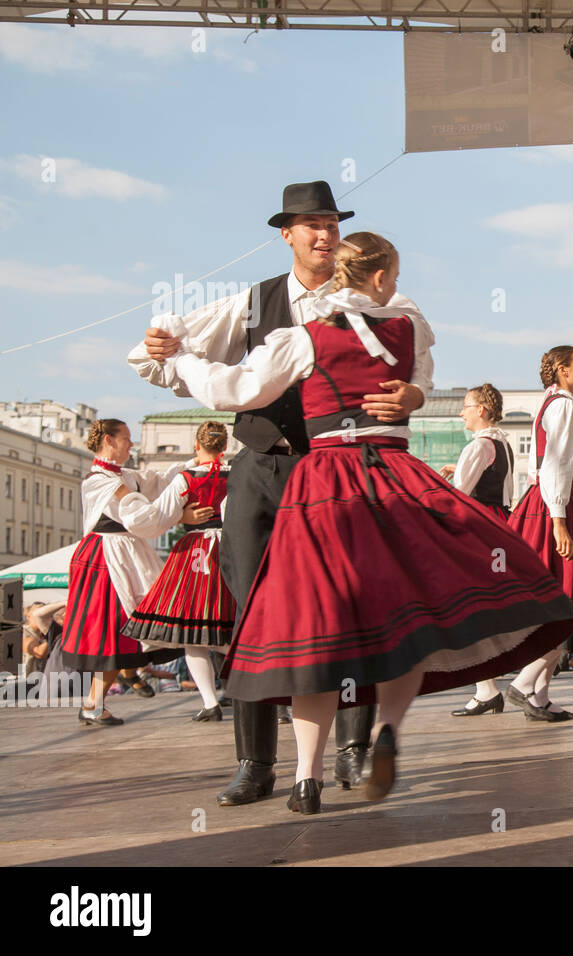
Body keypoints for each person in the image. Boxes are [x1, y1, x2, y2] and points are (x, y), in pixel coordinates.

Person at [159, 231, 573, 812]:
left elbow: (237, 388)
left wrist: (179, 356)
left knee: (313, 627)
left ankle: (306, 777)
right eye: (396, 274)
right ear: (381, 278)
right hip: (391, 478)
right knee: (393, 622)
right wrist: (412, 394)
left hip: (325, 482)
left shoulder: (304, 337)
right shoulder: (407, 329)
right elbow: (421, 367)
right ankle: (380, 735)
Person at [129, 182, 416, 805]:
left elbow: (417, 369)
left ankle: (350, 753)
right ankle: (256, 762)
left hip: (338, 467)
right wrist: (159, 346)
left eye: (331, 223)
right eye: (310, 224)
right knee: (249, 607)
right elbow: (159, 359)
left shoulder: (378, 301)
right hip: (262, 467)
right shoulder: (252, 303)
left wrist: (414, 395)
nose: (324, 233)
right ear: (285, 234)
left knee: (350, 604)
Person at [61, 420, 194, 726]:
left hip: (126, 555)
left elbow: (159, 481)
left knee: (133, 622)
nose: (131, 445)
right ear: (109, 440)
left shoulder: (125, 476)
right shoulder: (100, 481)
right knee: (116, 628)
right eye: (126, 439)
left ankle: (127, 675)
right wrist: (178, 515)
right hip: (107, 558)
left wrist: (194, 465)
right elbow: (139, 515)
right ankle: (99, 699)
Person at [505, 346, 573, 721]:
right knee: (568, 598)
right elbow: (556, 464)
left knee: (563, 596)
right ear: (563, 371)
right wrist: (560, 519)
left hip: (543, 503)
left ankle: (539, 696)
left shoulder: (549, 402)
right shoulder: (564, 405)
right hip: (557, 504)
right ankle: (524, 684)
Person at [122, 422, 235, 722]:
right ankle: (259, 697)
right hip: (231, 551)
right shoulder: (236, 475)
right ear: (224, 447)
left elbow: (158, 516)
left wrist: (135, 510)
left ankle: (210, 701)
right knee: (234, 628)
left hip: (195, 553)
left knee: (194, 635)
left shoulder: (186, 478)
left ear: (197, 447)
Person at [439, 383, 515, 717]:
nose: (461, 413)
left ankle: (490, 689)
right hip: (500, 527)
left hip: (478, 530)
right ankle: (488, 688)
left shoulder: (478, 446)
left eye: (466, 407)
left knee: (471, 609)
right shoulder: (503, 445)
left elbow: (461, 497)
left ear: (481, 410)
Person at [22, 602, 62, 679]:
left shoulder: (43, 634)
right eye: (41, 616)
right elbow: (39, 652)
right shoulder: (23, 632)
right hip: (27, 680)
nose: (44, 619)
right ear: (28, 616)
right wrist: (53, 634)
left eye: (48, 616)